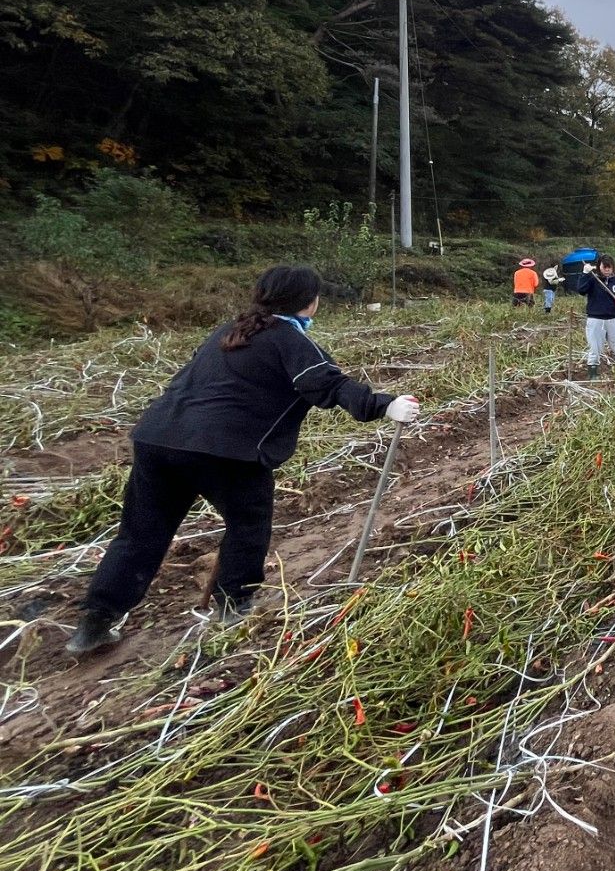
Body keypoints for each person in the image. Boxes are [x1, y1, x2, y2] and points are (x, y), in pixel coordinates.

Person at [66, 265, 420, 655]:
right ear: (310, 302)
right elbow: (328, 386)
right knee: (248, 525)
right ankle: (234, 606)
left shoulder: (228, 331)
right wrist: (385, 405)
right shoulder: (289, 340)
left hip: (158, 439)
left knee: (140, 535)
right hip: (226, 451)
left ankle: (95, 621)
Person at [567, 253, 615, 379]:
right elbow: (581, 290)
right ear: (599, 267)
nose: (607, 270)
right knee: (595, 348)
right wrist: (585, 274)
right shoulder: (592, 279)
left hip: (614, 319)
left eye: (609, 267)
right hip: (595, 319)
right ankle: (593, 373)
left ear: (613, 268)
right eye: (604, 267)